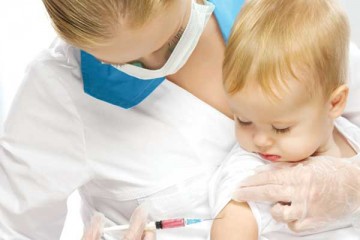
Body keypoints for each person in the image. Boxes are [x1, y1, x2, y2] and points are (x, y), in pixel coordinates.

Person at [0, 0, 359, 239]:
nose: (158, 65)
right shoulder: (55, 92)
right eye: (129, 63)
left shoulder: (280, 14)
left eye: (172, 39)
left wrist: (352, 184)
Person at [209, 0, 360, 239]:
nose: (259, 140)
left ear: (334, 103)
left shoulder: (352, 136)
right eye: (243, 120)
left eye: (280, 128)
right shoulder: (252, 177)